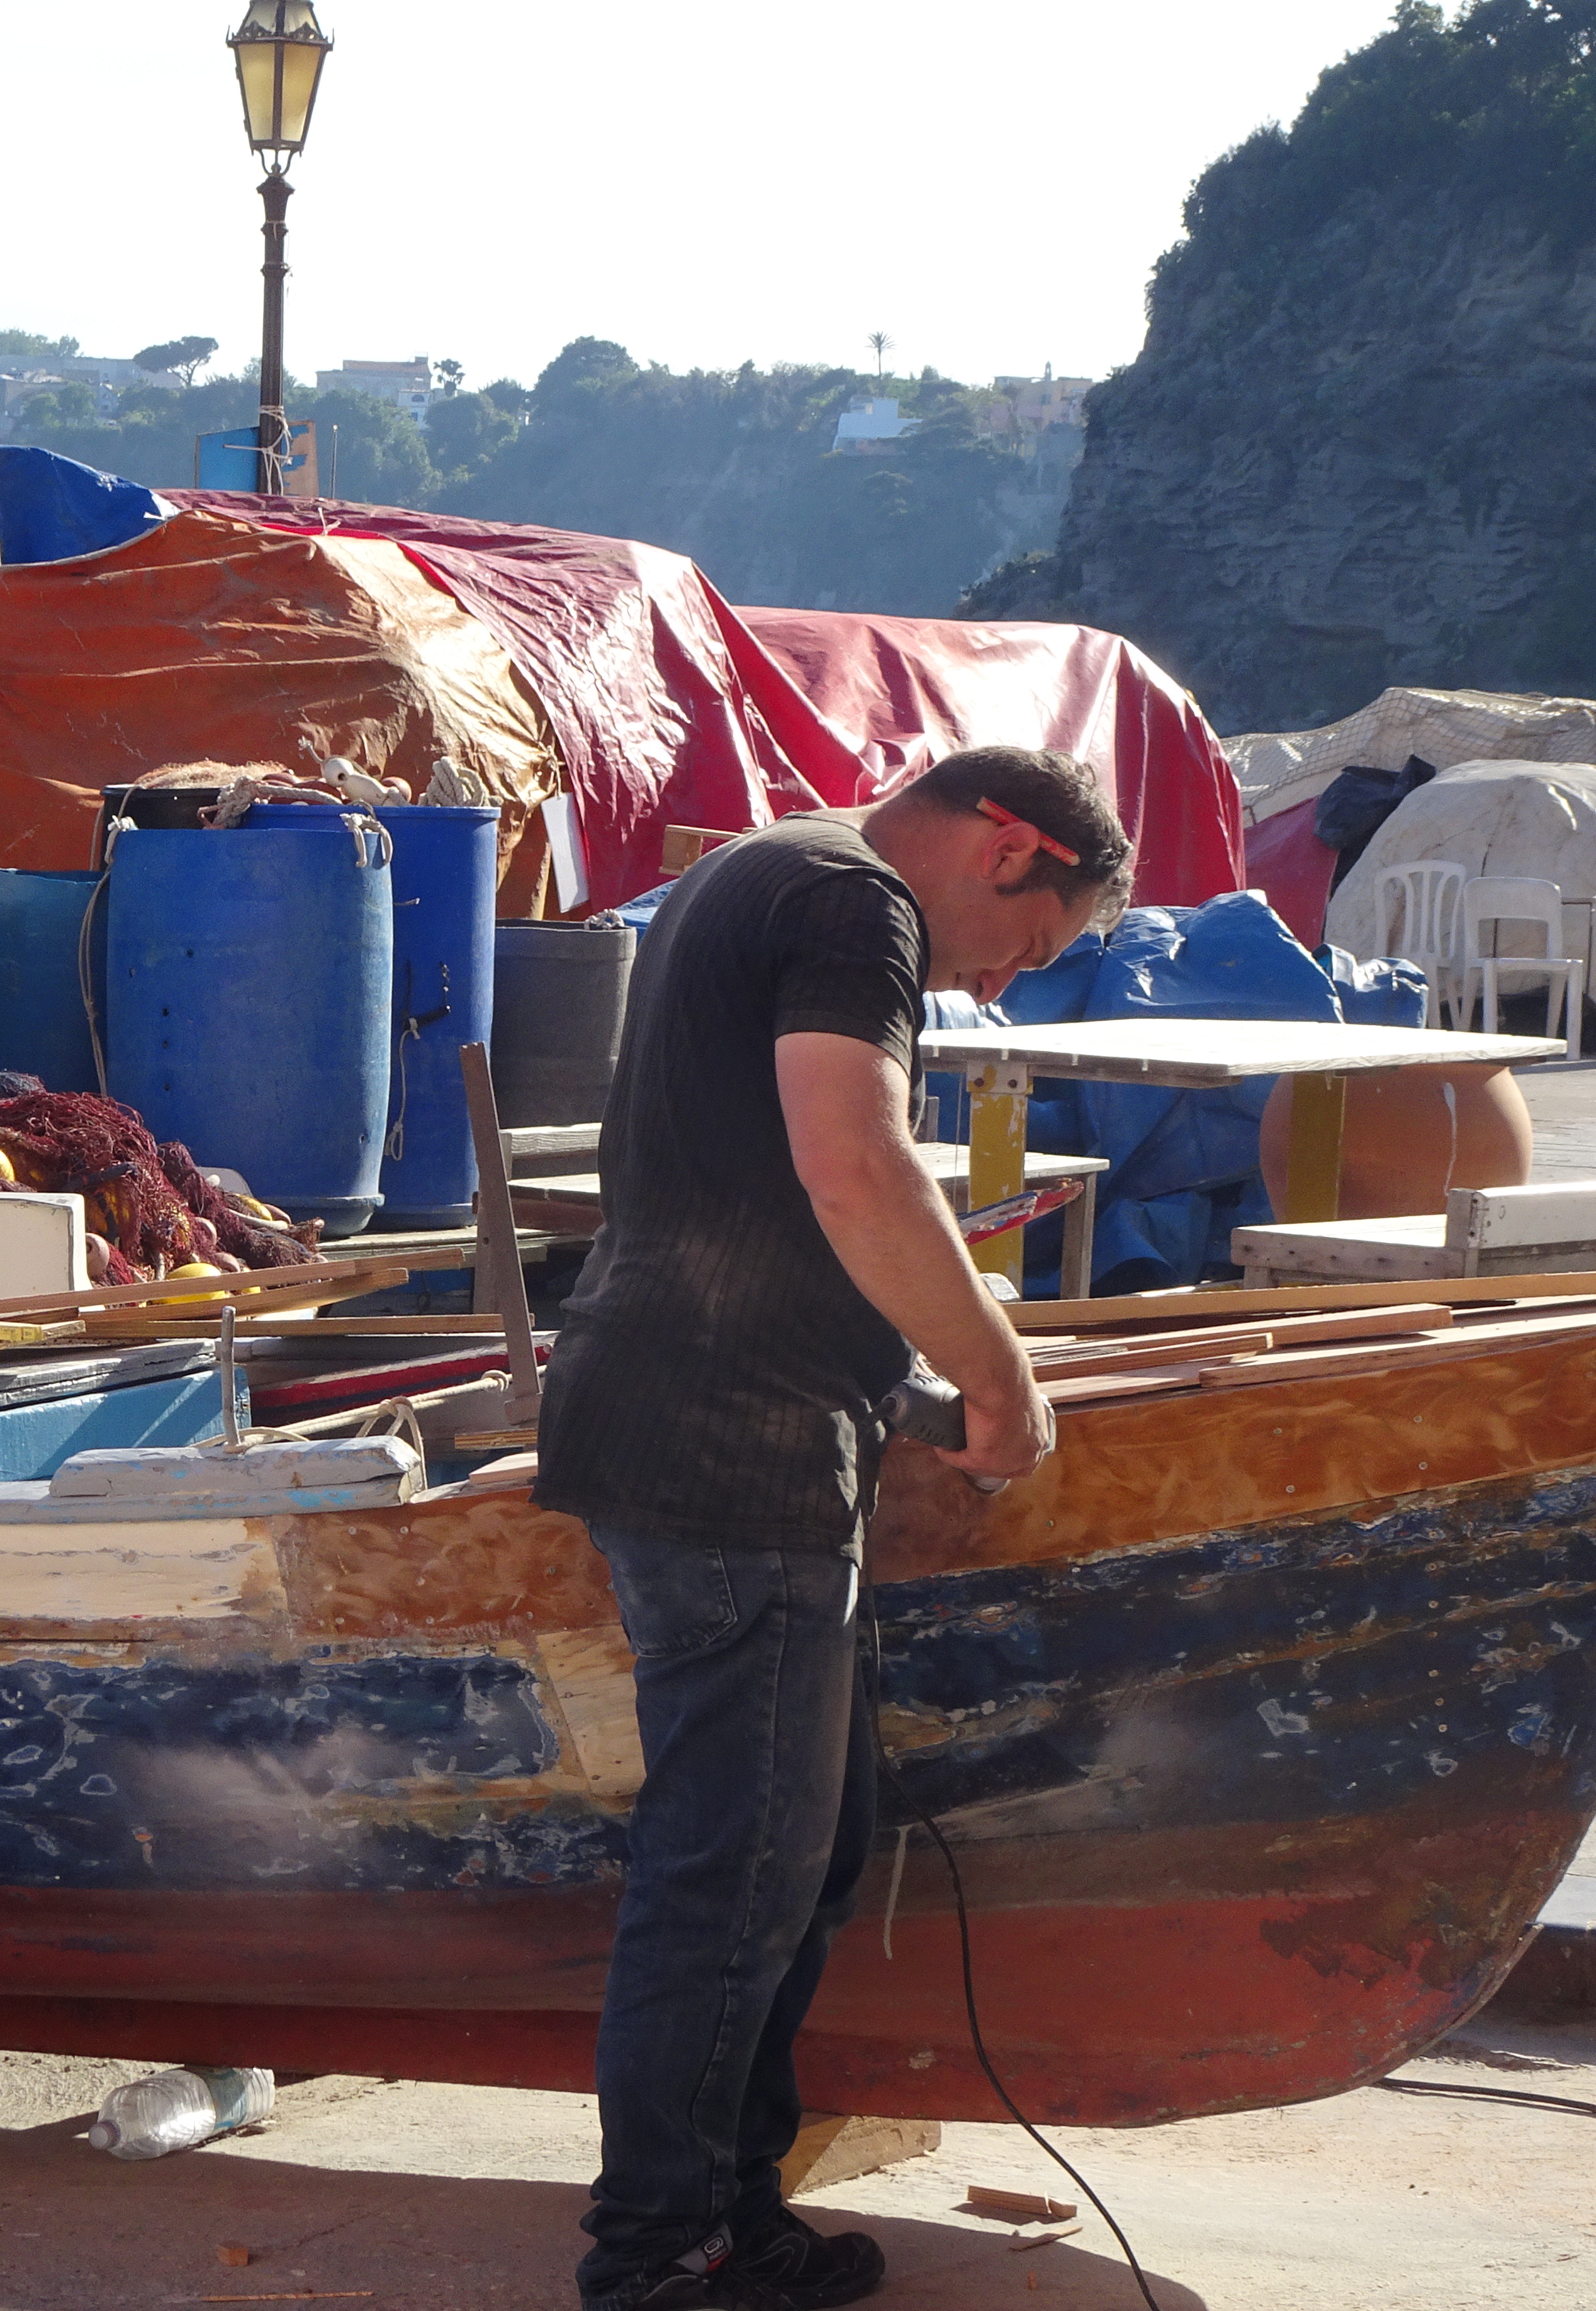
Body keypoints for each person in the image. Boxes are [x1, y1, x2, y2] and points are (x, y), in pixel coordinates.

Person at [536, 746, 1137, 2311]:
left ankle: (731, 2209)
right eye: (1031, 941)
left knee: (806, 1852)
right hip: (731, 1451)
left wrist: (921, 1384)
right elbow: (854, 1169)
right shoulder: (857, 905)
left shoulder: (754, 869)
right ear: (1007, 844)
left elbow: (762, 1200)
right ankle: (662, 2253)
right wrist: (1002, 1378)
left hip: (691, 1409)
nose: (1001, 979)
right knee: (736, 1868)